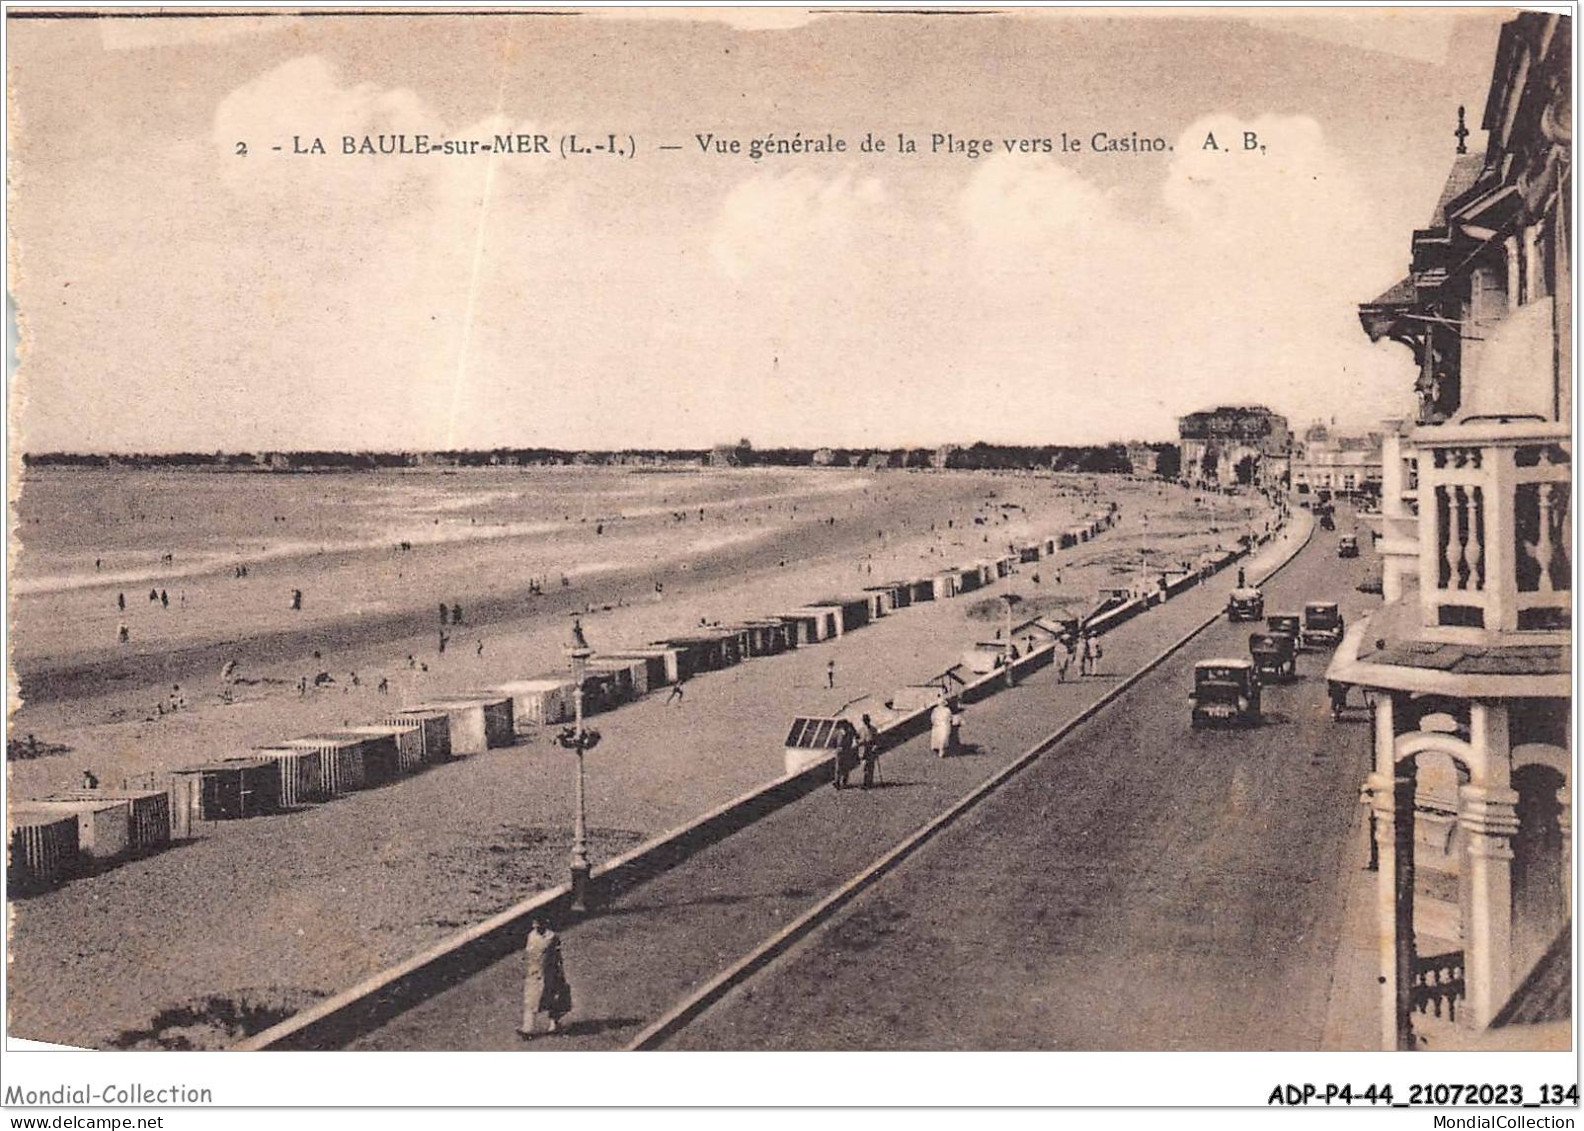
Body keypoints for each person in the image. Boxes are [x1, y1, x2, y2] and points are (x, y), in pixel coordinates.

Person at [517, 918, 573, 1040]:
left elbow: (558, 955)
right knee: (531, 1000)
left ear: (544, 924)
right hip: (535, 973)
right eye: (534, 924)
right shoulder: (531, 936)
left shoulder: (552, 937)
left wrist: (560, 971)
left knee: (556, 997)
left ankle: (554, 1025)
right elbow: (529, 954)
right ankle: (527, 1029)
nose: (535, 926)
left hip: (550, 972)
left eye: (538, 924)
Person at [858, 714, 880, 790]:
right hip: (864, 749)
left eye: (867, 720)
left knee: (870, 766)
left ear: (869, 720)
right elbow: (857, 739)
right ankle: (865, 782)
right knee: (865, 766)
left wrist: (875, 746)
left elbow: (877, 740)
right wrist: (860, 742)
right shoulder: (861, 730)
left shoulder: (873, 729)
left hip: (871, 749)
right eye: (865, 720)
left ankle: (869, 783)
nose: (866, 722)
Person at [833, 722, 856, 790]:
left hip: (847, 750)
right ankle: (837, 782)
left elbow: (857, 735)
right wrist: (836, 748)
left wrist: (852, 727)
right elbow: (834, 741)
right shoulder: (838, 732)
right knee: (838, 767)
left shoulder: (850, 732)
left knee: (846, 767)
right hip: (840, 751)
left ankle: (844, 782)